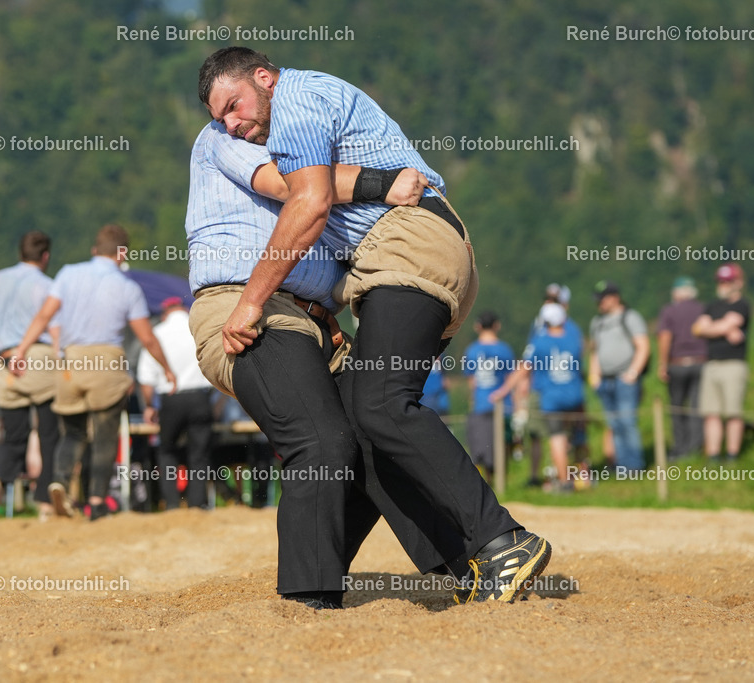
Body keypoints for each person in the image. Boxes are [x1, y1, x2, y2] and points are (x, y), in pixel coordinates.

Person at [199, 46, 551, 603]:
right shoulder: (290, 115)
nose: (232, 124)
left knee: (382, 405)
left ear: (264, 78)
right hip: (410, 256)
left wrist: (250, 302)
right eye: (220, 118)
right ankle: (453, 570)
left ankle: (503, 540)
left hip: (405, 249)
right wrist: (379, 182)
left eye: (234, 105)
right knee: (368, 427)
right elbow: (309, 190)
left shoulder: (297, 100)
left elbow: (308, 201)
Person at [183, 117, 462, 609]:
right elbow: (293, 187)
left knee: (377, 434)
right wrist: (384, 182)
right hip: (244, 308)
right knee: (321, 442)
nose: (231, 117)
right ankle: (307, 597)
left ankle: (462, 564)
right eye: (223, 106)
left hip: (316, 322)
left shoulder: (297, 144)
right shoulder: (225, 138)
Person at [12, 224, 176, 521]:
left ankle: (59, 480)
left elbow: (44, 316)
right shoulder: (128, 287)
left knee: (73, 433)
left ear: (94, 250)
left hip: (71, 363)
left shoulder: (67, 274)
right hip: (107, 362)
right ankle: (97, 501)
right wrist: (167, 368)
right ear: (122, 253)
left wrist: (21, 350)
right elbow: (146, 337)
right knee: (104, 435)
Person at [0, 230, 61, 523]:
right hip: (38, 357)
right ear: (45, 256)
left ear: (19, 253)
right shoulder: (48, 285)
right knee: (48, 434)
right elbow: (56, 330)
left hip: (5, 362)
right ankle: (45, 501)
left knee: (13, 436)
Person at [493, 303, 586, 493]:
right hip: (575, 395)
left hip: (553, 398)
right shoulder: (574, 338)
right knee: (576, 437)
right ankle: (584, 477)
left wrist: (504, 390)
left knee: (557, 438)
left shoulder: (539, 341)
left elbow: (523, 368)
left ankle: (565, 482)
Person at [138, 296, 215, 511]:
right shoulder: (198, 329)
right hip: (201, 397)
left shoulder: (158, 334)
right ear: (183, 308)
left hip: (171, 398)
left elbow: (146, 378)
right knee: (199, 453)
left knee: (167, 451)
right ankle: (197, 504)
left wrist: (149, 406)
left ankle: (171, 503)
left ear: (165, 313)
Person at [692, 263, 751, 465]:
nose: (723, 285)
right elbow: (698, 329)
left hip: (734, 365)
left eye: (728, 281)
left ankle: (733, 455)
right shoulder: (712, 305)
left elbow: (713, 327)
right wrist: (723, 328)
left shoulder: (743, 305)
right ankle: (714, 455)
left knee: (733, 412)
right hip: (712, 364)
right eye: (721, 281)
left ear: (738, 282)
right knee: (711, 413)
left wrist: (714, 327)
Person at [588, 281, 649, 472]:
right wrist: (594, 375)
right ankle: (620, 464)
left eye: (603, 299)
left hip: (625, 379)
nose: (599, 303)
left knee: (627, 422)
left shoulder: (630, 317)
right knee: (613, 424)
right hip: (605, 381)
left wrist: (633, 373)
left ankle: (633, 466)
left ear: (615, 297)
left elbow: (643, 346)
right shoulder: (596, 323)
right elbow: (595, 351)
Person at [656, 276, 706, 460]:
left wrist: (663, 363)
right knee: (696, 407)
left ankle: (680, 448)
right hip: (701, 362)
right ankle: (696, 447)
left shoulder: (670, 311)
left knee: (677, 407)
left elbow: (665, 337)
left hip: (677, 364)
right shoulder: (702, 309)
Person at [461, 311, 515, 481]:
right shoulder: (504, 349)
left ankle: (488, 481)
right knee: (503, 444)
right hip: (503, 405)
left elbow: (472, 382)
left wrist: (472, 401)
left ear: (477, 326)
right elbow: (510, 378)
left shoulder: (471, 351)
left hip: (480, 405)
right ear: (496, 325)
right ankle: (502, 480)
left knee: (482, 447)